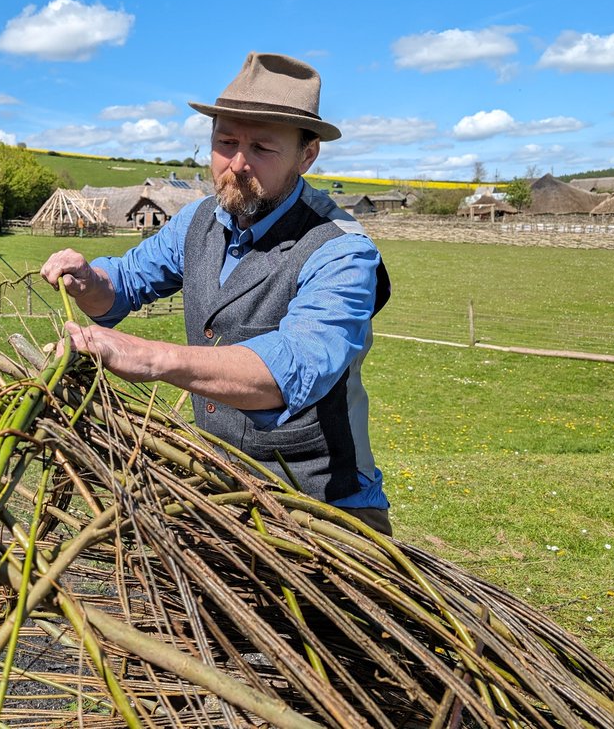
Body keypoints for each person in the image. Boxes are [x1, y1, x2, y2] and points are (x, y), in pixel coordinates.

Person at [41, 52, 392, 534]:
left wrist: (151, 358)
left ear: (306, 154)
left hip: (322, 508)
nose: (238, 163)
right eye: (225, 142)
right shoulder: (198, 220)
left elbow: (288, 371)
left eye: (262, 148)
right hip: (219, 488)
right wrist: (90, 282)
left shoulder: (342, 252)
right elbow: (122, 286)